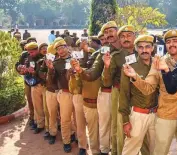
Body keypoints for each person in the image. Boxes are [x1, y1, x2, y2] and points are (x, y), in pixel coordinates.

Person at [122, 29, 177, 155]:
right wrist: (135, 77)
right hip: (162, 115)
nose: (144, 50)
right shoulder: (157, 64)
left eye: (147, 47)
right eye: (168, 42)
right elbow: (146, 89)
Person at [71, 21, 121, 155]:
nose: (108, 35)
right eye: (105, 33)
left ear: (117, 31)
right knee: (104, 127)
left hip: (125, 94)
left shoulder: (127, 48)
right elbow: (93, 73)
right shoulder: (103, 52)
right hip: (107, 93)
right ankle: (105, 151)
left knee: (121, 127)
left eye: (111, 31)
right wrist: (80, 70)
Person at [101, 25, 149, 155]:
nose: (126, 38)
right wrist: (106, 67)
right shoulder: (115, 56)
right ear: (119, 39)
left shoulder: (143, 52)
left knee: (143, 128)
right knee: (121, 127)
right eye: (122, 36)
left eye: (129, 35)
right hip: (120, 93)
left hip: (140, 93)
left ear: (134, 37)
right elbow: (106, 81)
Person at [119, 35, 157, 155]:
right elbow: (124, 94)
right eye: (140, 47)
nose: (144, 50)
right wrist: (125, 120)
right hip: (138, 115)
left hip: (156, 114)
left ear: (152, 48)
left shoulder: (157, 63)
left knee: (154, 150)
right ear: (136, 48)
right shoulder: (130, 65)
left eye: (147, 47)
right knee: (130, 150)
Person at [46, 39, 76, 153]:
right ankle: (66, 141)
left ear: (67, 47)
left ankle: (77, 138)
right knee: (65, 119)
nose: (60, 50)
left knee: (78, 119)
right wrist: (50, 69)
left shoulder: (75, 58)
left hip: (77, 93)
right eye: (58, 49)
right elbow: (51, 81)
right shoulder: (56, 63)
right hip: (65, 93)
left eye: (62, 47)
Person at [39, 43, 60, 145]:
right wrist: (47, 78)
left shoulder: (65, 59)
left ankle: (71, 134)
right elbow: (41, 72)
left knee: (66, 115)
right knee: (52, 114)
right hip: (50, 91)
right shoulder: (46, 60)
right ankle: (52, 133)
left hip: (62, 92)